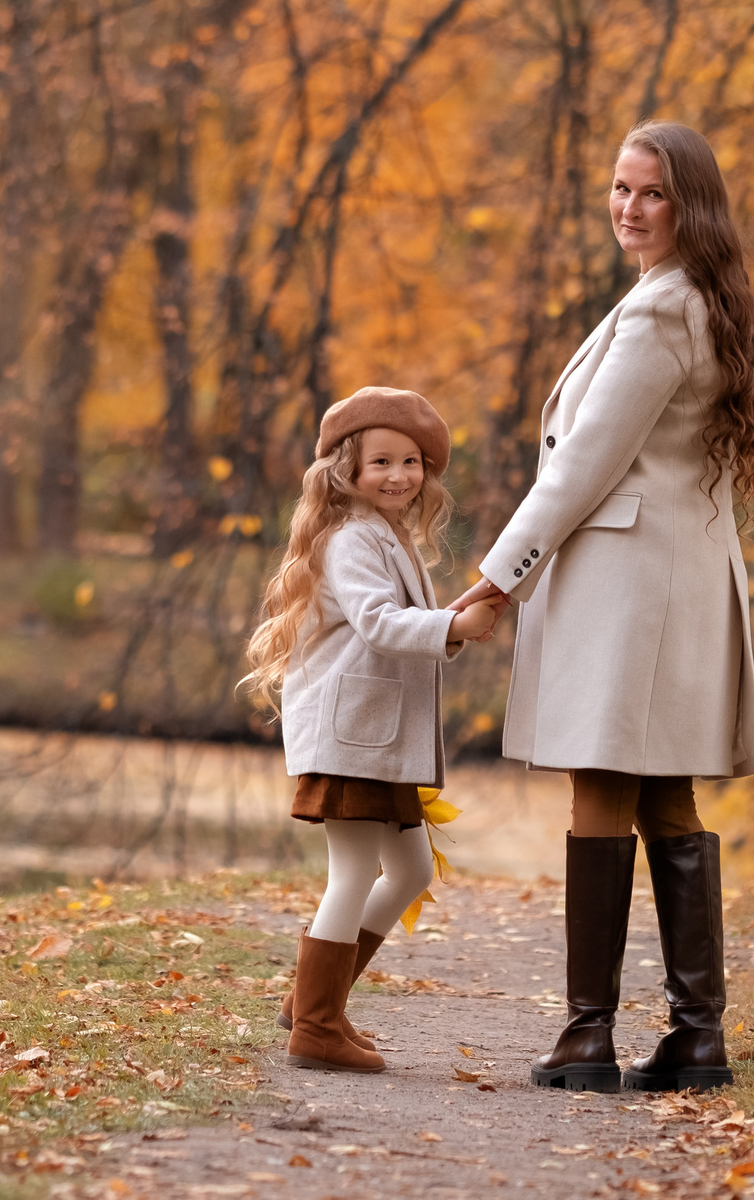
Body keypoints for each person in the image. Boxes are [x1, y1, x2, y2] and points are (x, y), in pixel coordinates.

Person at [450, 121, 754, 1093]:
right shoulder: (686, 301)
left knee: (601, 782)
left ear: (690, 206)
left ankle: (589, 1034)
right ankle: (694, 1033)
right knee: (664, 790)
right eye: (620, 188)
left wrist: (500, 576)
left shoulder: (660, 315)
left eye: (652, 194)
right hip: (666, 575)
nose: (628, 208)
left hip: (633, 584)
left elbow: (583, 465)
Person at [245, 387, 500, 1072]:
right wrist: (450, 625)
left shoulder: (389, 536)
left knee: (410, 868)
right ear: (345, 469)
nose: (399, 474)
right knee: (355, 870)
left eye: (411, 461)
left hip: (378, 740)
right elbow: (379, 623)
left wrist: (454, 618)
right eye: (381, 460)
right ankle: (317, 1028)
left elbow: (392, 626)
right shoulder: (353, 537)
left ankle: (311, 1002)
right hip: (352, 737)